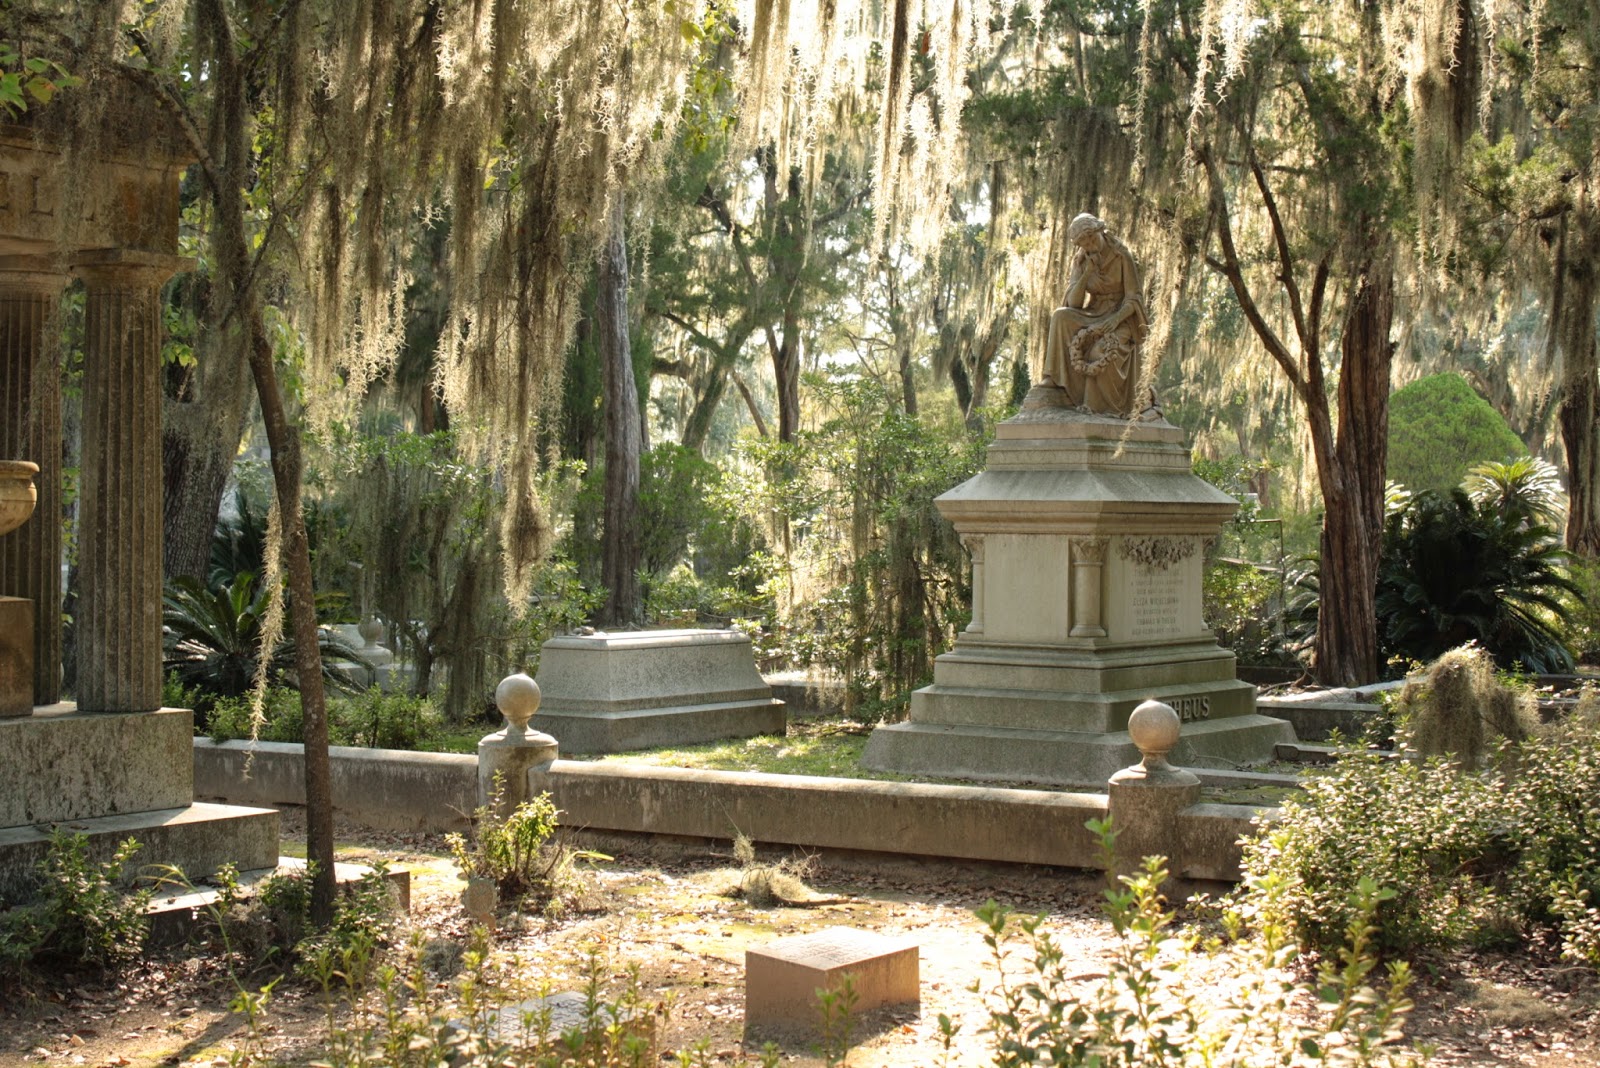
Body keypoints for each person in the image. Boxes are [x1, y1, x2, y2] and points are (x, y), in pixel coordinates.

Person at [1041, 213, 1149, 416]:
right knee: (1060, 316)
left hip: (1121, 316)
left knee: (1098, 353)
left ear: (1100, 231)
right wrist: (1087, 273)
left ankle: (1101, 407)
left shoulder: (1121, 254)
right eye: (1085, 243)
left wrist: (1114, 320)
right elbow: (1074, 303)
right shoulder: (1080, 261)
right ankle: (1052, 377)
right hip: (1094, 312)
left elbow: (1134, 298)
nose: (1091, 244)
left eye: (1092, 238)